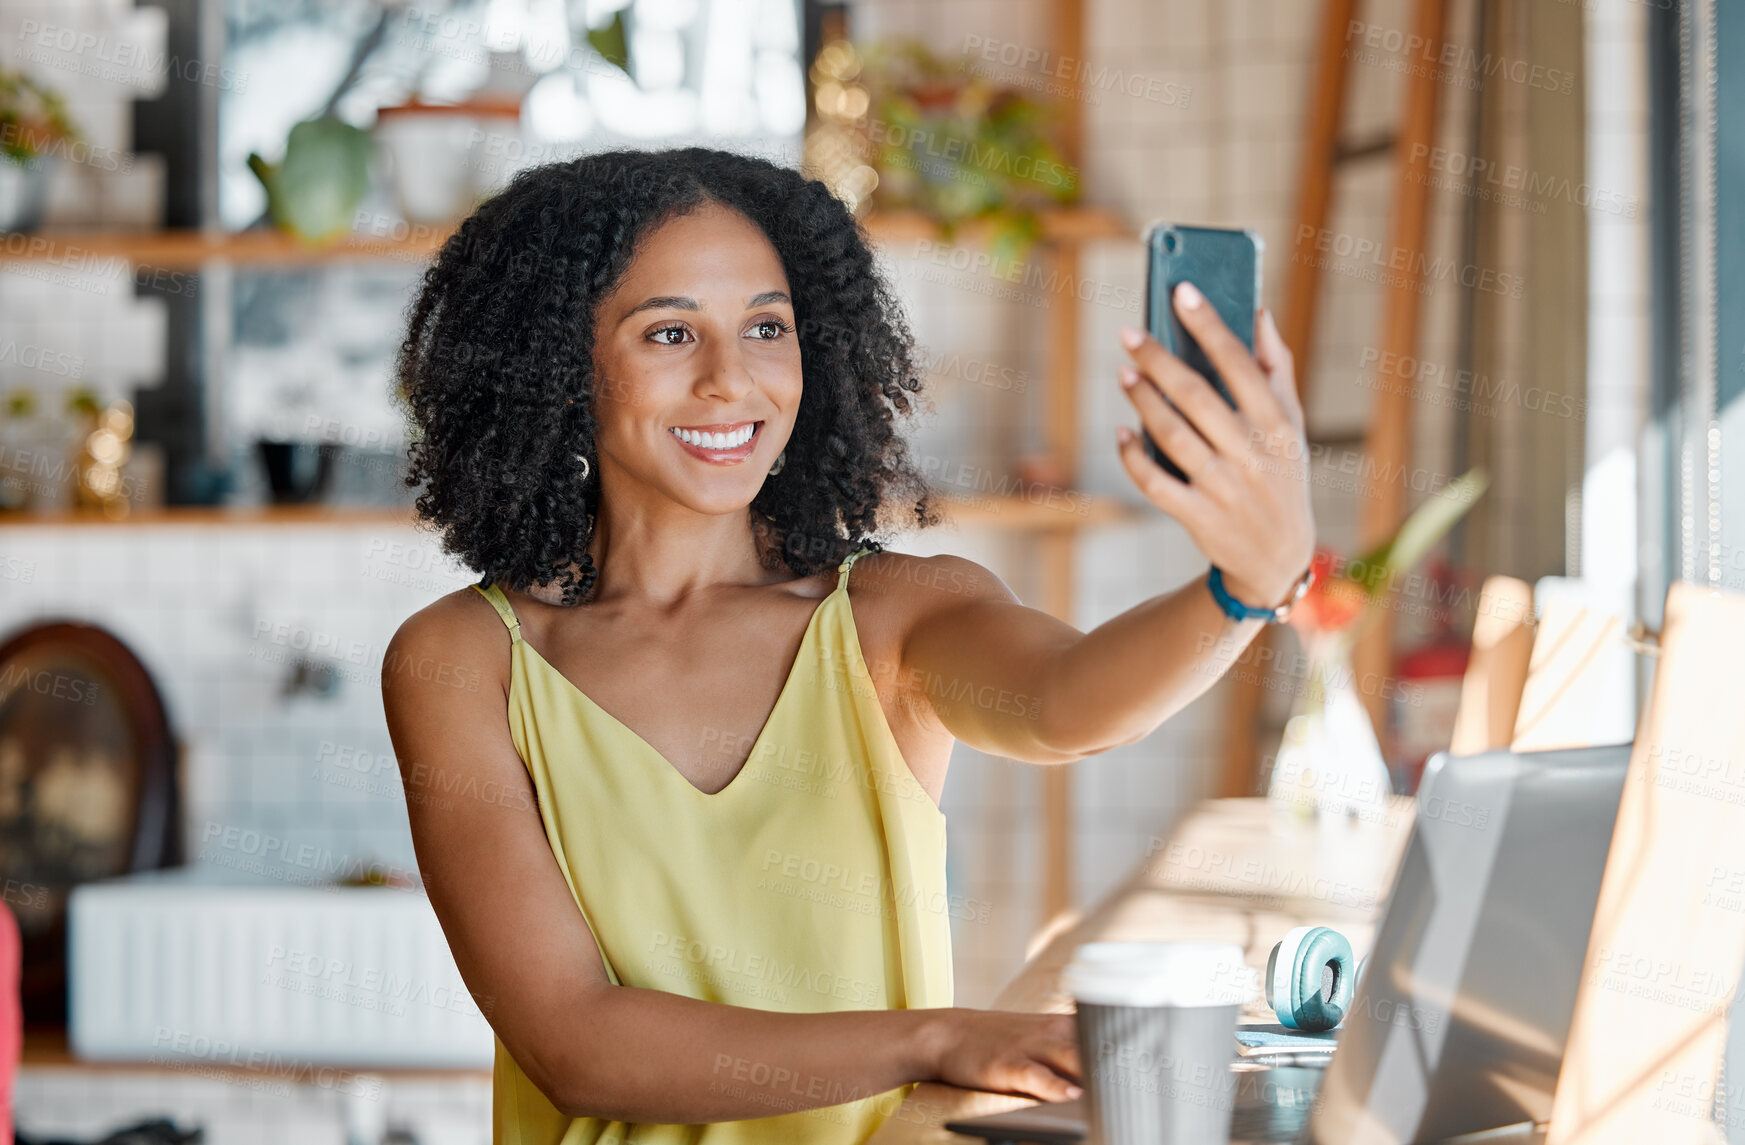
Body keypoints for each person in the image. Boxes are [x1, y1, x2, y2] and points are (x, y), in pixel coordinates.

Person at [382, 147, 1314, 1144]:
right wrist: (934, 1038)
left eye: (766, 327)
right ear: (561, 364)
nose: (729, 378)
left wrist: (1243, 587)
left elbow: (1067, 703)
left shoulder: (891, 617)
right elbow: (576, 1044)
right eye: (668, 332)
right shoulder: (461, 660)